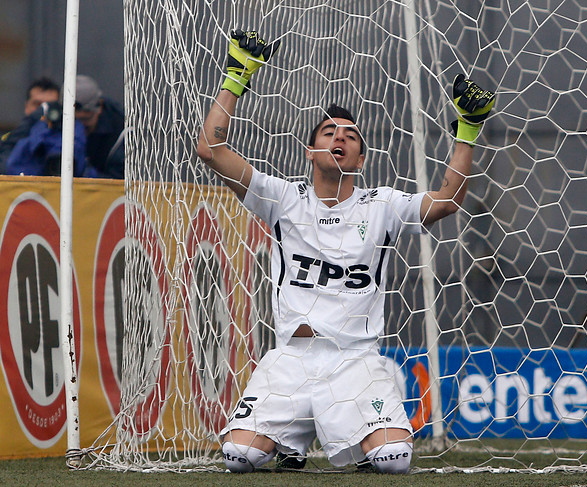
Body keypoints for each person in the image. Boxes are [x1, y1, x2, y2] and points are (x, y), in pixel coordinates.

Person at [196, 30, 495, 474]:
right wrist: (237, 76)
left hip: (354, 362)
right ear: (310, 150)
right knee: (239, 457)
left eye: (350, 135)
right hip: (292, 360)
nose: (340, 138)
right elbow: (210, 148)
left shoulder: (383, 204)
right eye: (329, 132)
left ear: (360, 159)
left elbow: (448, 200)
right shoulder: (283, 197)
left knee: (394, 460)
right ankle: (290, 440)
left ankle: (335, 439)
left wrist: (467, 130)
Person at [0, 77, 61, 173]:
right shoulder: (7, 141)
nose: (42, 112)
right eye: (38, 105)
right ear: (26, 106)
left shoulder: (70, 141)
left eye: (50, 106)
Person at [71, 75, 126, 179]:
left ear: (100, 108)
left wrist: (87, 174)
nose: (80, 128)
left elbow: (119, 181)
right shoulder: (49, 125)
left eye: (85, 120)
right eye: (74, 122)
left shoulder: (119, 131)